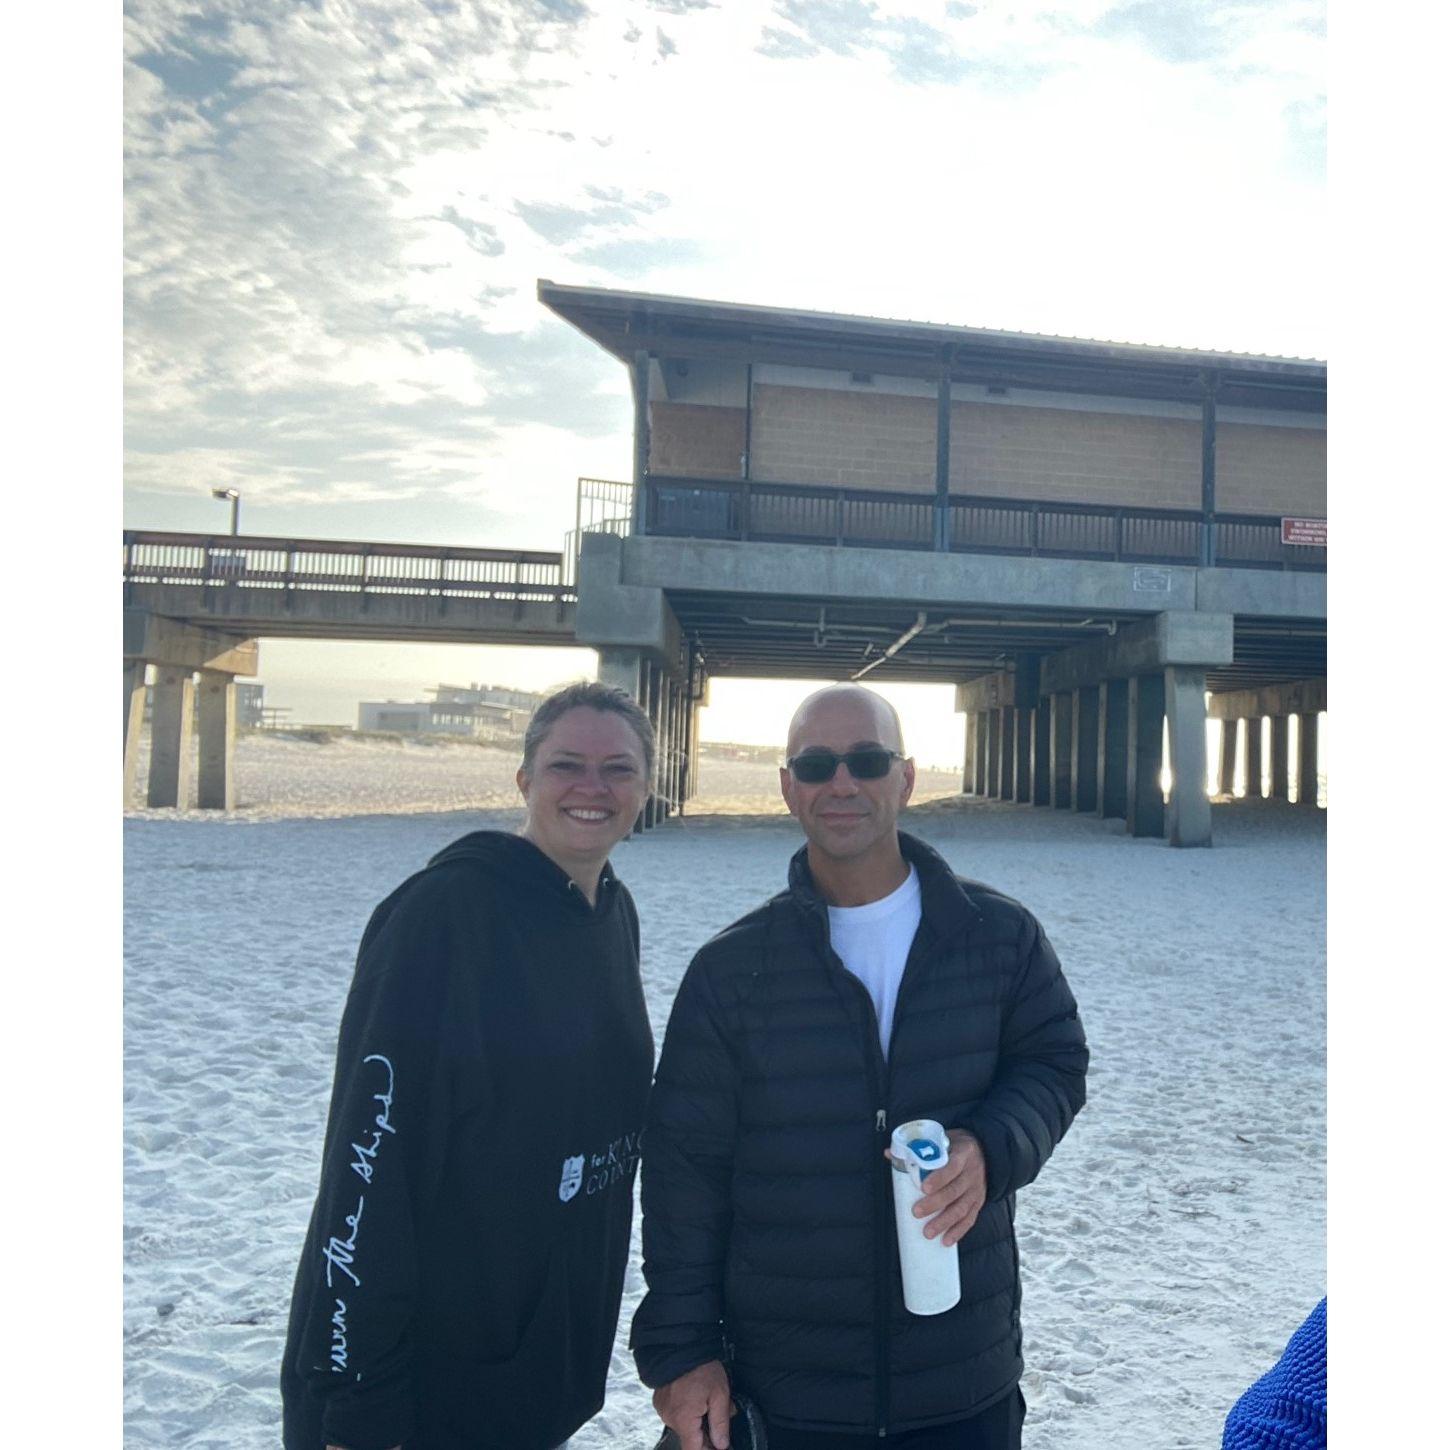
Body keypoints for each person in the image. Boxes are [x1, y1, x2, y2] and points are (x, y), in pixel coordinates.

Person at [632, 683, 1089, 1450]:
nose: (841, 783)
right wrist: (683, 1353)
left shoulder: (998, 936)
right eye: (815, 765)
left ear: (905, 778)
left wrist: (992, 1147)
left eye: (866, 761)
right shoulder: (731, 969)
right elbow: (684, 1169)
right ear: (787, 788)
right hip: (785, 1391)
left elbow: (1054, 1062)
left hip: (960, 1380)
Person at [280, 681, 657, 1450]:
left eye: (618, 769)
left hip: (531, 1375)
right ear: (524, 781)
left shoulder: (610, 912)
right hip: (418, 1391)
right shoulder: (443, 917)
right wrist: (359, 1401)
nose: (592, 788)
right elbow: (369, 1165)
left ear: (647, 788)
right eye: (566, 766)